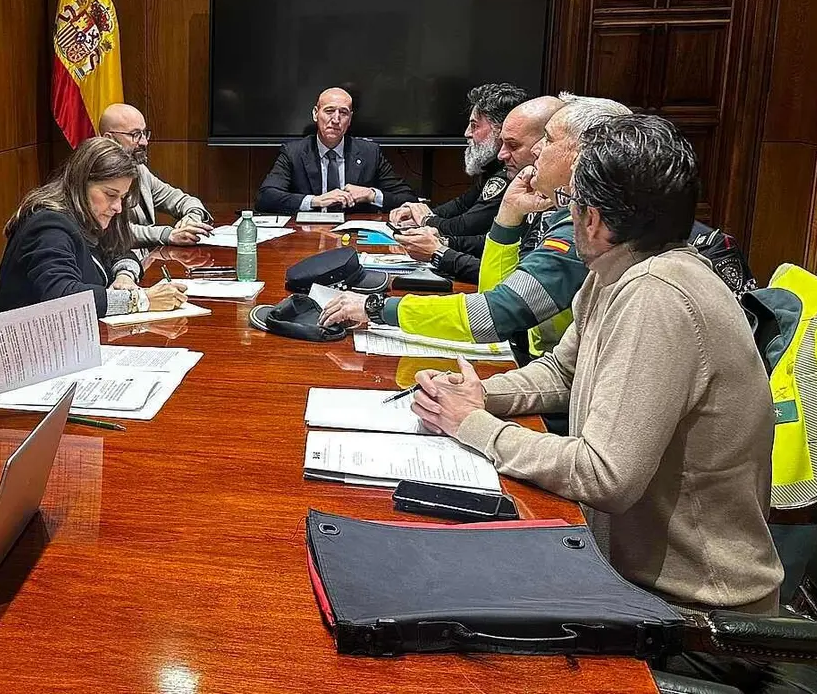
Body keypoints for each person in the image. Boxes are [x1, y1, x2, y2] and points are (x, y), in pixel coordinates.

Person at [408, 115, 782, 619]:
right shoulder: (615, 271)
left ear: (594, 221)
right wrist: (481, 396)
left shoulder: (657, 298)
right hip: (627, 576)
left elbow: (605, 476)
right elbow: (562, 373)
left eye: (568, 203)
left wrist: (472, 425)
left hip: (693, 613)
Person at [319, 94, 631, 361]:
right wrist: (508, 217)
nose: (537, 150)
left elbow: (497, 313)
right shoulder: (555, 209)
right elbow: (497, 292)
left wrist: (377, 308)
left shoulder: (585, 227)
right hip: (530, 359)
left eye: (548, 140)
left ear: (584, 155)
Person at [0, 137, 188, 317]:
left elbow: (119, 250)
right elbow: (62, 297)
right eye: (110, 195)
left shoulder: (89, 215)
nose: (118, 207)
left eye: (122, 197)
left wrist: (125, 276)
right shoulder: (49, 226)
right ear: (81, 183)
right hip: (28, 340)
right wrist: (139, 300)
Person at [390, 93, 563, 283]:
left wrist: (439, 251)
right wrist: (444, 241)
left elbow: (516, 282)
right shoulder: (523, 182)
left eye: (513, 145)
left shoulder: (567, 208)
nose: (502, 155)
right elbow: (494, 245)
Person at [255, 87, 416, 214]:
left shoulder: (369, 153)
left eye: (343, 113)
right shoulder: (294, 152)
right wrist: (316, 201)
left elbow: (408, 198)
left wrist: (371, 195)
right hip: (307, 234)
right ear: (315, 114)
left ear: (350, 119)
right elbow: (265, 198)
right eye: (329, 111)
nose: (336, 119)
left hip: (353, 236)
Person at [99, 103, 214, 256]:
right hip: (116, 264)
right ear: (109, 138)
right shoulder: (95, 175)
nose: (144, 142)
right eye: (135, 134)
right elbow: (111, 231)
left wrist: (193, 216)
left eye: (144, 133)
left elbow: (180, 199)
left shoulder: (139, 170)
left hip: (146, 260)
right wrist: (168, 234)